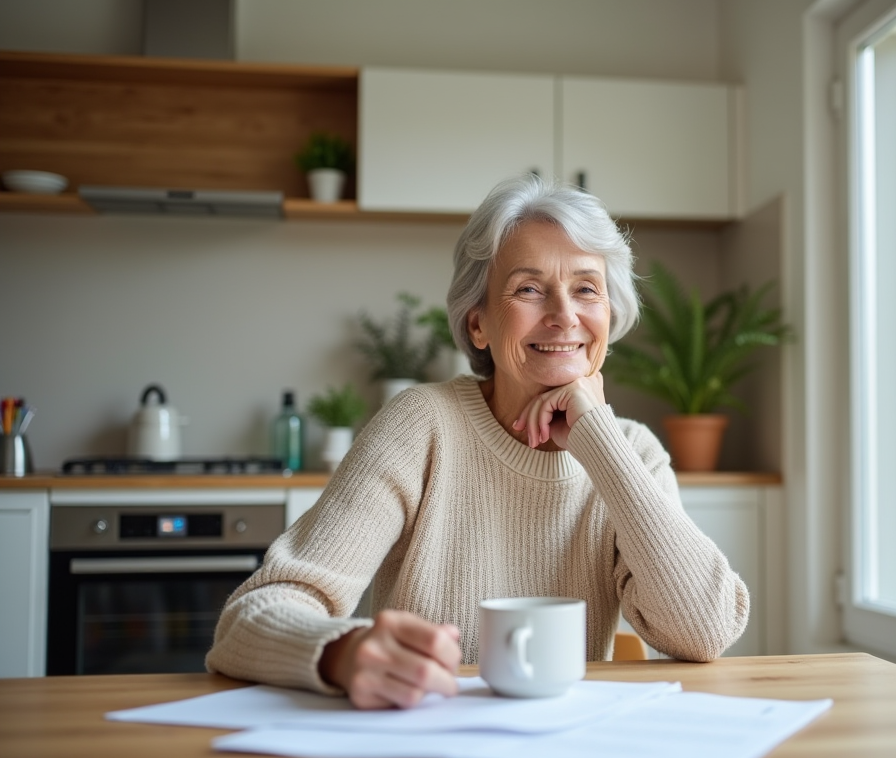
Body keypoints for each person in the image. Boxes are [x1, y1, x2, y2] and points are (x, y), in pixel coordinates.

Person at [206, 174, 749, 709]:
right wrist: (342, 652)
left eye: (587, 289)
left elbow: (703, 632)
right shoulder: (421, 427)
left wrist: (599, 439)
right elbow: (249, 620)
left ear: (609, 315)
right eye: (530, 289)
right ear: (479, 325)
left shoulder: (634, 452)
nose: (564, 316)